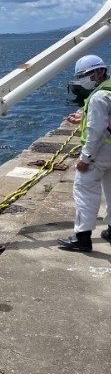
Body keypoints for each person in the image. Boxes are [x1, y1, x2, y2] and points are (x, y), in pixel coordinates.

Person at [58, 54, 111, 252]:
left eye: (86, 74)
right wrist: (80, 119)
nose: (83, 78)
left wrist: (85, 158)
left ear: (99, 71)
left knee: (85, 192)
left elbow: (96, 131)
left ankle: (82, 238)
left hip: (99, 153)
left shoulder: (98, 96)